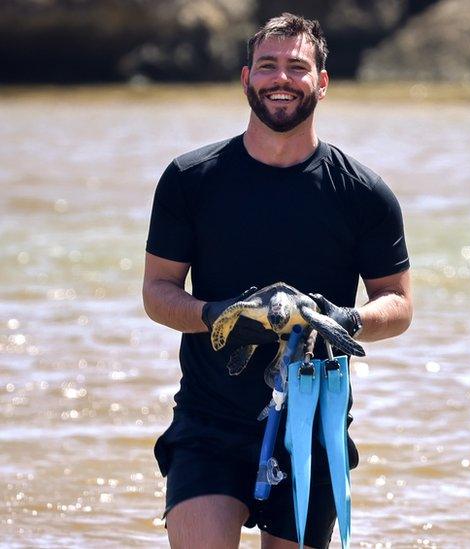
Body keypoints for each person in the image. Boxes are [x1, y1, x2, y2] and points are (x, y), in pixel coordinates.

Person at [142, 13, 412, 548]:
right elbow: (157, 292)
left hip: (315, 420)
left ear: (323, 82)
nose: (280, 79)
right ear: (246, 78)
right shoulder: (190, 180)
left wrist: (346, 318)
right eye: (267, 66)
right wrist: (218, 315)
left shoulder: (361, 192)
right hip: (209, 420)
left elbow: (398, 304)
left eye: (297, 67)